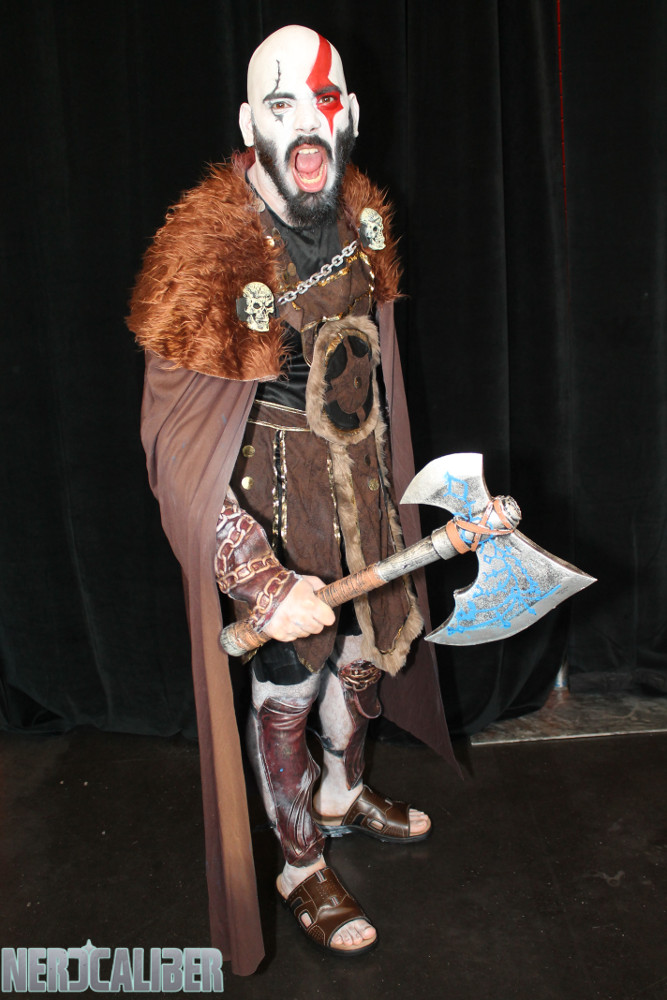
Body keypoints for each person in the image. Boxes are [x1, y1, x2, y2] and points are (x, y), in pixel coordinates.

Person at [128, 24, 454, 974]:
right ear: (249, 123)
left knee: (361, 660)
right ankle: (298, 862)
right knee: (290, 688)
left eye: (323, 100)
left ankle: (342, 797)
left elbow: (374, 371)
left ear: (348, 116)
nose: (306, 122)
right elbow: (173, 443)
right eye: (281, 104)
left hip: (363, 489)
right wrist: (260, 581)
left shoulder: (358, 217)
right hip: (273, 500)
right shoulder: (204, 251)